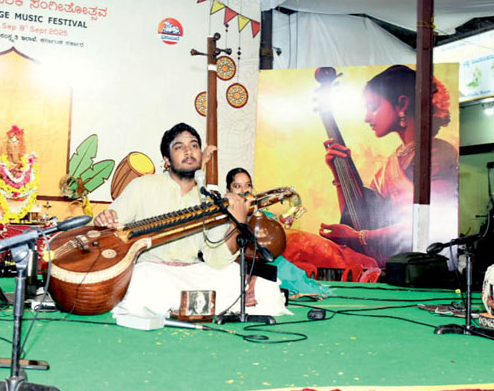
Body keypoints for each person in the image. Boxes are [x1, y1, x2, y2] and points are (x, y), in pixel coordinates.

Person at [94, 123, 289, 318]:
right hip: (154, 270)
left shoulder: (211, 199)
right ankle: (203, 306)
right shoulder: (142, 186)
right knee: (144, 280)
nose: (189, 151)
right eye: (179, 147)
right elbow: (112, 221)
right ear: (167, 160)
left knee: (235, 275)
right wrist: (106, 219)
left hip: (193, 272)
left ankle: (182, 308)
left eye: (194, 145)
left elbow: (217, 259)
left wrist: (236, 222)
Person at [318, 65, 458, 264]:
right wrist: (340, 173)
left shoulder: (437, 154)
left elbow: (430, 223)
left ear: (401, 104)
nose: (367, 117)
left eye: (373, 107)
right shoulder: (390, 164)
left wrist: (357, 237)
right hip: (392, 265)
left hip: (422, 265)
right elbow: (359, 216)